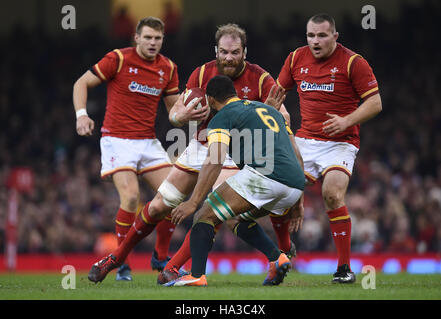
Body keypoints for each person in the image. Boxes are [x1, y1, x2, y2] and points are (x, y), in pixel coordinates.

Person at [86, 23, 299, 284]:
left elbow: (282, 117)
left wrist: (269, 113)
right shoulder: (202, 73)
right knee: (157, 206)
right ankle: (116, 258)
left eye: (234, 52)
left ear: (244, 52)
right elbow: (175, 113)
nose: (229, 58)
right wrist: (182, 115)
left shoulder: (262, 78)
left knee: (217, 210)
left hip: (234, 151)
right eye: (224, 52)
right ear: (216, 51)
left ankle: (175, 267)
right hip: (200, 144)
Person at [73, 17, 206, 281]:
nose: (152, 43)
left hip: (148, 142)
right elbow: (81, 83)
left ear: (162, 40)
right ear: (137, 38)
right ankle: (122, 263)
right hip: (117, 140)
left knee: (173, 195)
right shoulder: (118, 59)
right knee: (132, 197)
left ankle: (160, 254)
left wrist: (195, 115)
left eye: (157, 38)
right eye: (147, 37)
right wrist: (81, 115)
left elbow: (173, 113)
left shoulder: (167, 67)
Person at [164, 75, 305, 286]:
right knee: (232, 218)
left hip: (266, 177)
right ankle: (277, 258)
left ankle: (196, 276)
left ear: (210, 100)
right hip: (294, 184)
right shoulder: (268, 110)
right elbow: (297, 154)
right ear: (234, 94)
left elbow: (215, 159)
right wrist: (298, 202)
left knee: (204, 214)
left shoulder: (222, 117)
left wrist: (193, 202)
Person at [276, 13, 382, 283]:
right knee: (279, 194)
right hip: (304, 142)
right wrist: (281, 113)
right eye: (311, 35)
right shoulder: (295, 58)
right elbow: (275, 95)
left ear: (335, 37)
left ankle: (344, 269)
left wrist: (346, 120)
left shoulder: (353, 63)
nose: (315, 41)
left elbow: (375, 103)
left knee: (332, 194)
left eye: (322, 35)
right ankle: (285, 250)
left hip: (341, 144)